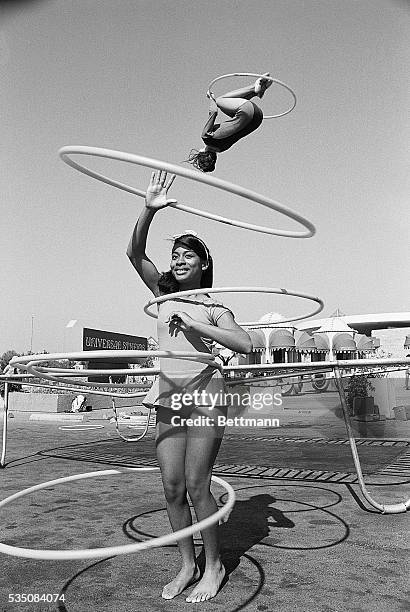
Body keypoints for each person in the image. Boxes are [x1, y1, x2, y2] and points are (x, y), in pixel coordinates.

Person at [126, 170, 252, 603]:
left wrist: (197, 322)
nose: (179, 261)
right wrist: (149, 208)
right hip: (167, 394)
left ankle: (214, 566)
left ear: (204, 265)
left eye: (188, 256)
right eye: (176, 255)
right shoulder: (160, 295)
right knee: (172, 486)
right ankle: (187, 563)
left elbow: (245, 343)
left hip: (205, 395)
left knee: (199, 483)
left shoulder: (216, 307)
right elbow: (134, 252)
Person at [186, 73, 272, 173]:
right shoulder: (206, 137)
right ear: (201, 152)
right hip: (248, 111)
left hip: (257, 120)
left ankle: (257, 91)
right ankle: (254, 89)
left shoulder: (223, 148)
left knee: (237, 116)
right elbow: (214, 112)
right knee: (220, 101)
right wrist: (211, 99)